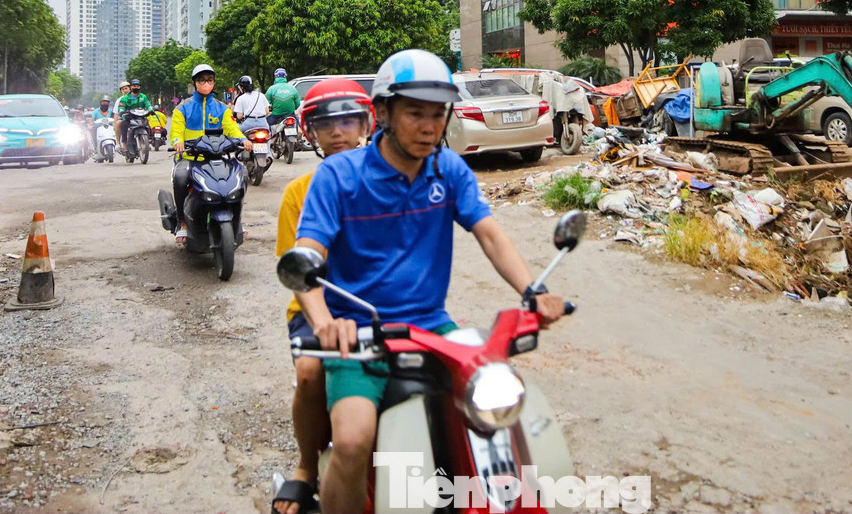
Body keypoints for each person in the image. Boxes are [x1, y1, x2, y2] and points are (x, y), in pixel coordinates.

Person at [290, 49, 566, 514]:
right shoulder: (339, 176)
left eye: (438, 114)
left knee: (494, 410)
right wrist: (324, 322)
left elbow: (491, 236)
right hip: (359, 334)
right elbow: (305, 261)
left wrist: (531, 291)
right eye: (415, 113)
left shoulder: (448, 169)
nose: (429, 126)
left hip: (432, 328)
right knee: (353, 441)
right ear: (382, 113)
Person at [271, 78, 375, 514]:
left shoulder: (390, 183)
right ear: (310, 132)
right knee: (311, 372)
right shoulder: (298, 191)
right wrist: (323, 321)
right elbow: (297, 272)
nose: (338, 132)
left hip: (375, 309)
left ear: (367, 124)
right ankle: (306, 468)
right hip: (318, 312)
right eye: (326, 124)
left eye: (347, 121)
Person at [168, 63, 249, 244]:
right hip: (190, 158)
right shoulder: (183, 108)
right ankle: (183, 222)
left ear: (213, 83)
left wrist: (243, 139)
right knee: (180, 178)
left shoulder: (221, 108)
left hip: (217, 157)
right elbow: (176, 131)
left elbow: (232, 128)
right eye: (202, 80)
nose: (206, 83)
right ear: (195, 83)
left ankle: (236, 221)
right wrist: (177, 142)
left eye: (209, 80)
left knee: (241, 174)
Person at [116, 79, 152, 150]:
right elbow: (121, 107)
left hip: (141, 116)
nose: (135, 87)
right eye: (134, 86)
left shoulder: (143, 97)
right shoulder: (125, 98)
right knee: (124, 125)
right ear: (131, 87)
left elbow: (148, 105)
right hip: (129, 117)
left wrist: (151, 109)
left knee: (148, 124)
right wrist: (122, 111)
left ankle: (147, 141)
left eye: (137, 86)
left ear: (139, 87)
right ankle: (124, 143)